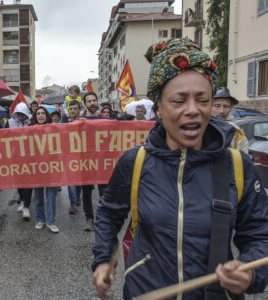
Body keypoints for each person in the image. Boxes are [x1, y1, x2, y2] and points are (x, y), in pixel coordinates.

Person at [92, 38, 268, 299]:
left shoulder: (237, 166)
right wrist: (104, 259)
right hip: (145, 292)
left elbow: (259, 234)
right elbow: (109, 215)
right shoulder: (135, 162)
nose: (193, 110)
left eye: (203, 100)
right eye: (179, 101)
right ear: (159, 109)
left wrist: (251, 273)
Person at [30, 107, 59, 233]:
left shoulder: (54, 128)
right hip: (36, 168)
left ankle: (51, 222)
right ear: (35, 116)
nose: (40, 115)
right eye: (38, 114)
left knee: (51, 195)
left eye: (42, 113)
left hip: (51, 167)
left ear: (46, 115)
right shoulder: (29, 130)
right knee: (38, 197)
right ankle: (41, 219)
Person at [80, 92, 106, 231]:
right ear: (85, 104)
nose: (92, 103)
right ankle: (89, 218)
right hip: (86, 162)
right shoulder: (80, 121)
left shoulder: (105, 119)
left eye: (94, 100)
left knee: (104, 192)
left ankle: (103, 218)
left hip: (103, 161)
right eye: (89, 101)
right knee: (86, 192)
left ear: (97, 101)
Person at [5, 102, 33, 219]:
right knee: (19, 181)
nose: (21, 117)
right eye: (19, 114)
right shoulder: (10, 123)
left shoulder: (32, 123)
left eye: (23, 114)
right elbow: (3, 137)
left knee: (28, 183)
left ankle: (26, 206)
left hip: (29, 157)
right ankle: (22, 199)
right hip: (15, 157)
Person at [212, 87, 249, 153]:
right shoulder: (200, 130)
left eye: (226, 106)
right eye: (217, 106)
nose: (221, 111)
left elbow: (244, 159)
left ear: (230, 109)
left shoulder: (238, 134)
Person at [61, 100, 82, 214]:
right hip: (68, 155)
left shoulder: (83, 121)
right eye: (71, 109)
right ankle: (73, 203)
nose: (73, 111)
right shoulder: (64, 120)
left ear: (79, 110)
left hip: (81, 155)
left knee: (78, 180)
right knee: (71, 181)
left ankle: (78, 195)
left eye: (75, 109)